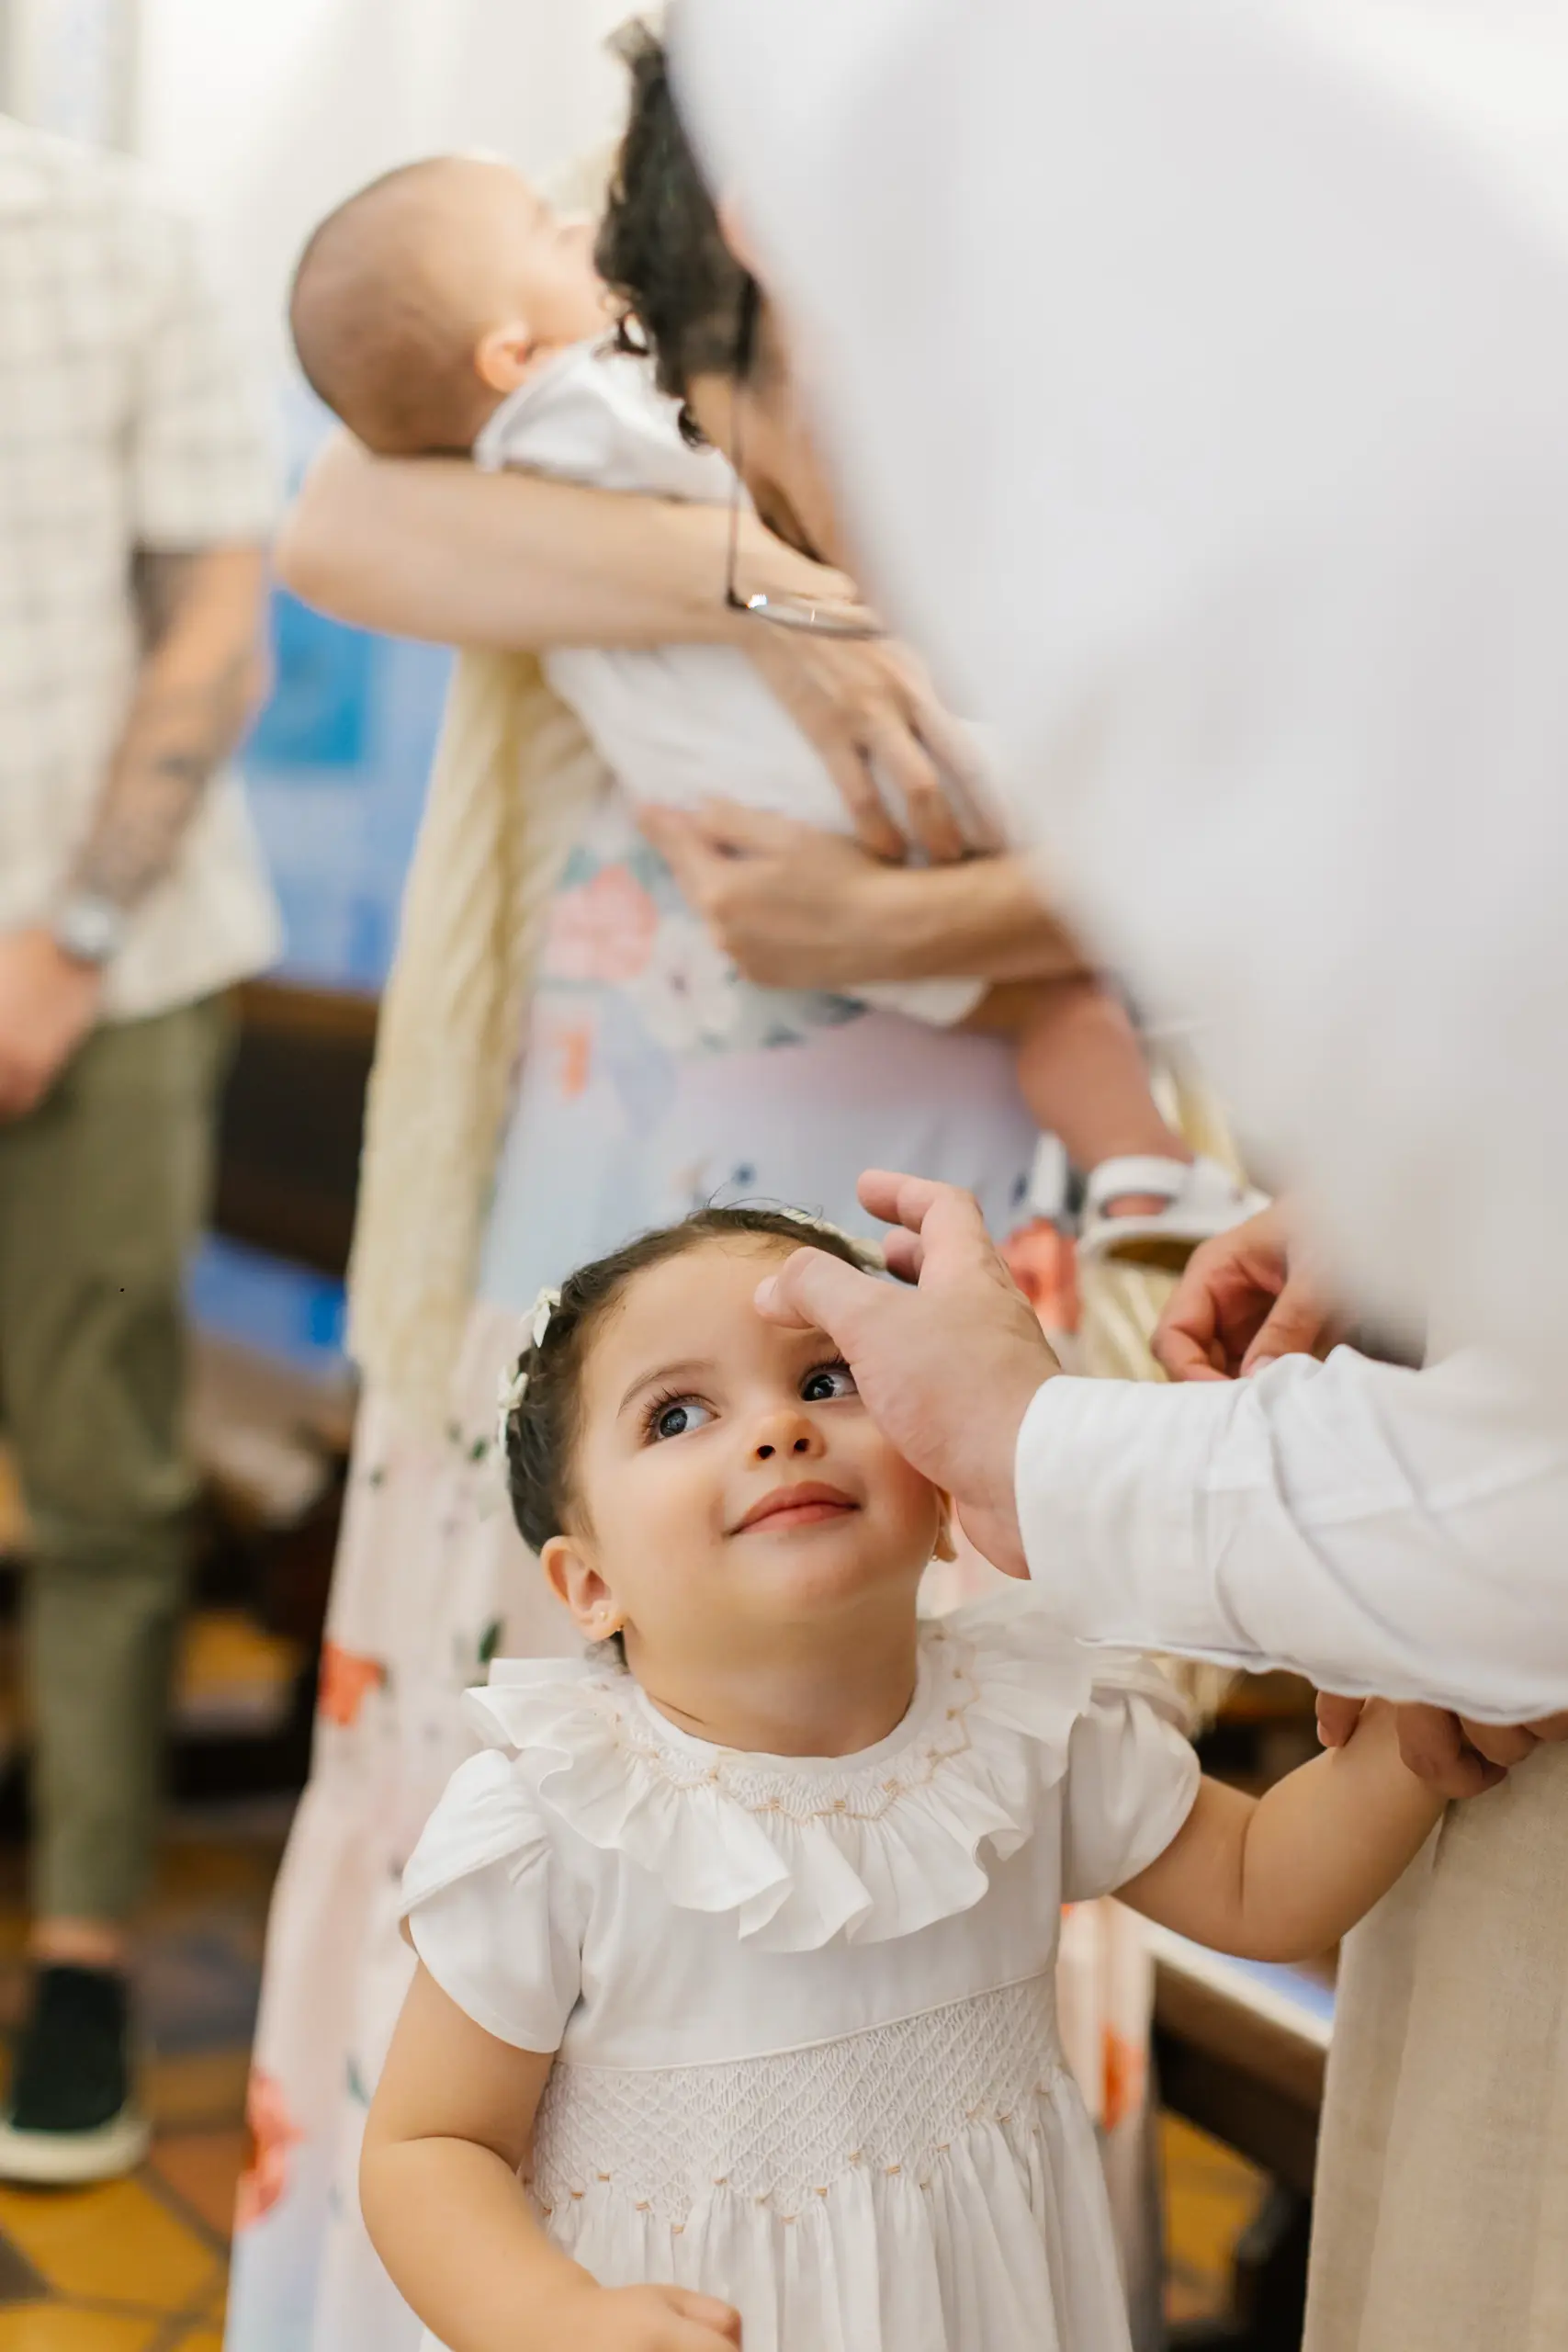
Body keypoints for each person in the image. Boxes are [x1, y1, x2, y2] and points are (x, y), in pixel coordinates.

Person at [229, 147, 1108, 2350]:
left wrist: (896, 926)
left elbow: (1225, 872)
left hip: (947, 1236)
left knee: (944, 1810)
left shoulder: (1061, 427)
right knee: (513, 1857)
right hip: (594, 1267)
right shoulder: (634, 403)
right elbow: (343, 513)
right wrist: (758, 586)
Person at [361, 1203, 1445, 2352]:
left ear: (942, 1491)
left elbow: (1255, 1879)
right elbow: (431, 2147)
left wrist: (1413, 1741)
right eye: (678, 1414)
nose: (779, 1429)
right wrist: (550, 2317)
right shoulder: (560, 1818)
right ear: (588, 1586)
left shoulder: (1022, 1726)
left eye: (829, 1381)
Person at [283, 148, 1255, 1262]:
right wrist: (775, 601)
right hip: (730, 923)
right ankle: (1136, 1164)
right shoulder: (601, 339)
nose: (578, 233)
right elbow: (334, 531)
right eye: (551, 232)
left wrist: (876, 920)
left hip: (779, 916)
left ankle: (1137, 1171)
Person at [0, 115, 276, 2183]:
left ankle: (80, 1951)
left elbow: (215, 621)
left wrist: (65, 939)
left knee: (97, 1469)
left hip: (104, 965)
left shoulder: (110, 240)